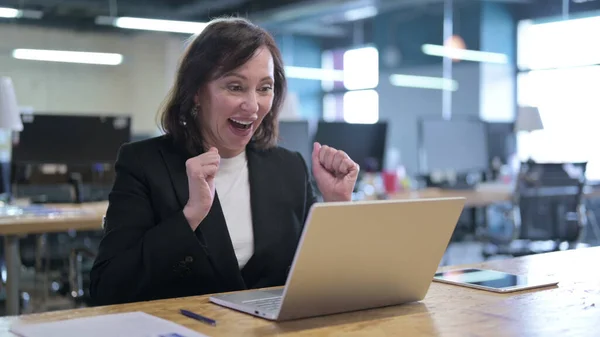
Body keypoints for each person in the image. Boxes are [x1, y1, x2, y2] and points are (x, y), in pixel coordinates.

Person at [89, 17, 359, 306]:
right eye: (235, 87)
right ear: (195, 92)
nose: (253, 105)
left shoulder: (288, 167)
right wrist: (190, 216)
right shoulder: (144, 164)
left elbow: (322, 279)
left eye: (264, 88)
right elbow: (108, 288)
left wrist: (336, 206)